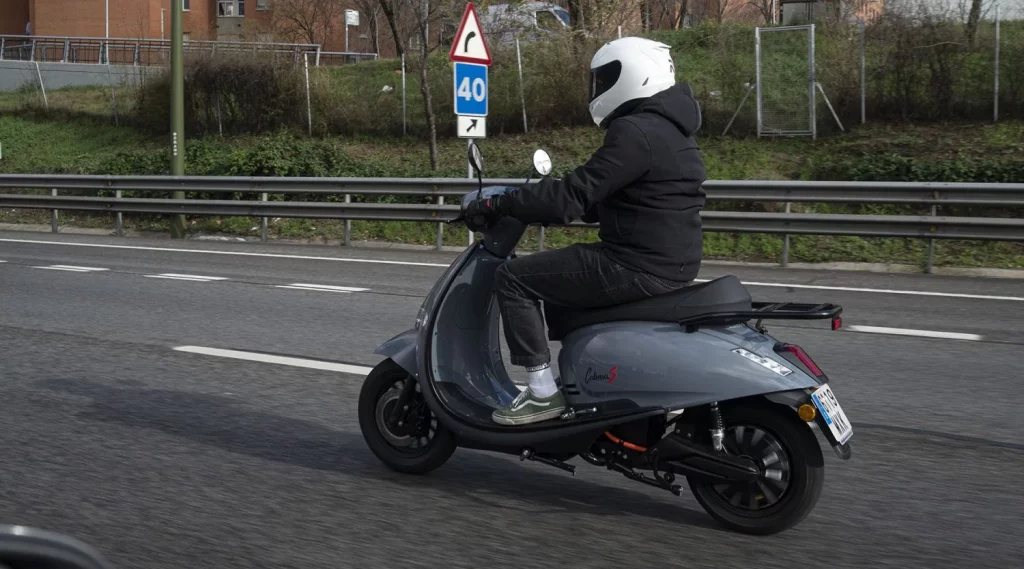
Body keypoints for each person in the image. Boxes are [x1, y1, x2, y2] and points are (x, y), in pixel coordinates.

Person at [465, 37, 708, 426]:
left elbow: (575, 194)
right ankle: (594, 381)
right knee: (562, 281)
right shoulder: (673, 131)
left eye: (603, 78)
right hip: (668, 261)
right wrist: (545, 207)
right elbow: (609, 199)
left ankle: (542, 393)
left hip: (635, 264)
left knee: (513, 278)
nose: (596, 88)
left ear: (631, 74)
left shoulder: (635, 130)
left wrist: (506, 202)